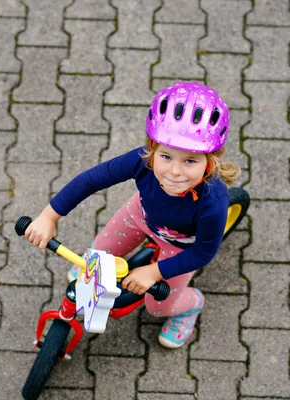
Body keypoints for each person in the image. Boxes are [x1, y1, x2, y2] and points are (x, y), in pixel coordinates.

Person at [25, 82, 240, 348]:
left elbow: (203, 253)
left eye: (190, 161)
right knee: (99, 251)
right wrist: (49, 216)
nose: (175, 171)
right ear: (152, 147)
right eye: (166, 156)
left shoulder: (214, 199)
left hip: (182, 245)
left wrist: (154, 272)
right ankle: (99, 263)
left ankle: (191, 305)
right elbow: (91, 180)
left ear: (211, 159)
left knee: (159, 306)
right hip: (140, 216)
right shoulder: (142, 161)